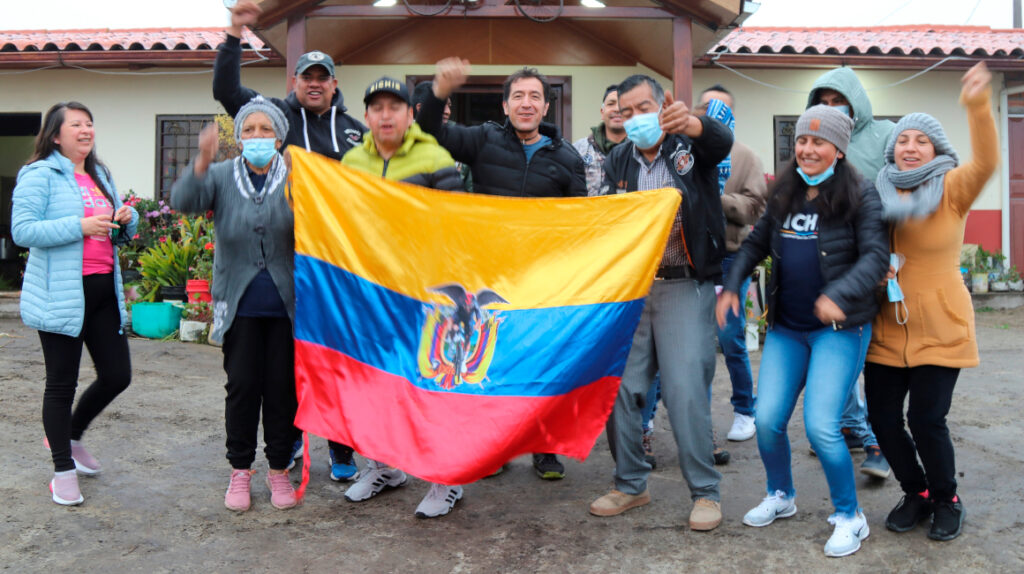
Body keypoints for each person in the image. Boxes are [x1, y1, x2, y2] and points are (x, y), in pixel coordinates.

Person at [716, 105, 888, 557]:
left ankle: (850, 516)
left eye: (818, 142)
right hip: (788, 328)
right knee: (768, 419)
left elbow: (874, 256)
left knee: (821, 426)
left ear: (838, 149)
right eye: (802, 141)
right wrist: (732, 286)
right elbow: (754, 242)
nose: (807, 149)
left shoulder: (861, 194)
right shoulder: (785, 191)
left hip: (839, 329)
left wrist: (841, 294)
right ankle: (781, 495)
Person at [213, 0, 365, 481]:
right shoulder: (273, 118)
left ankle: (342, 449)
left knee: (336, 361)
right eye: (307, 76)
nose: (315, 83)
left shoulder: (356, 134)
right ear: (295, 83)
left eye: (323, 77)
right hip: (284, 266)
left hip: (338, 268)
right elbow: (227, 90)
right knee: (286, 367)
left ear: (334, 84)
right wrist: (236, 34)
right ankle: (291, 441)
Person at [420, 58, 586, 480]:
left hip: (543, 283)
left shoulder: (568, 159)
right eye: (518, 97)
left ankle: (544, 448)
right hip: (489, 279)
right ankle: (493, 450)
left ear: (547, 107)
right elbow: (429, 131)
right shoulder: (482, 141)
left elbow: (582, 223)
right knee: (494, 365)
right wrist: (439, 92)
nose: (526, 104)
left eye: (535, 97)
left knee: (542, 367)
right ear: (505, 105)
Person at [588, 74, 733, 532]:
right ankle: (630, 484)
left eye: (643, 107)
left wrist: (693, 125)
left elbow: (721, 142)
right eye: (625, 111)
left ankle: (705, 493)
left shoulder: (688, 148)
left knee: (685, 389)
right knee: (620, 389)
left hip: (683, 284)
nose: (635, 118)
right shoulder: (617, 160)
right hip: (633, 290)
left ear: (662, 105)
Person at [864, 62, 997, 542]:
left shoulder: (953, 189)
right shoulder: (877, 193)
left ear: (937, 150)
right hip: (888, 325)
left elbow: (985, 162)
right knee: (881, 417)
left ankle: (946, 498)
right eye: (903, 139)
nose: (911, 147)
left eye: (922, 140)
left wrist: (977, 104)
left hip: (941, 323)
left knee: (926, 418)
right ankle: (915, 491)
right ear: (892, 149)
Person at [340, 77, 466, 518]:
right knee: (375, 386)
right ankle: (384, 468)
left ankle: (446, 479)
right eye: (377, 108)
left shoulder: (435, 155)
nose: (386, 114)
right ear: (368, 116)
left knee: (432, 385)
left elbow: (459, 223)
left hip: (427, 294)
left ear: (411, 113)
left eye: (396, 106)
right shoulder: (352, 160)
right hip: (372, 294)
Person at [171, 97, 300, 512]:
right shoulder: (223, 175)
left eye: (266, 130)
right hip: (240, 304)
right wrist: (202, 161)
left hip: (287, 305)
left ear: (279, 137)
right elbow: (183, 200)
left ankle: (279, 468)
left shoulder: (300, 176)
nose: (257, 137)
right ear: (239, 137)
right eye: (249, 130)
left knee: (282, 391)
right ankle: (240, 469)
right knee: (242, 387)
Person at [12, 101, 138, 506]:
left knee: (117, 375)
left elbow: (113, 235)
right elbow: (23, 230)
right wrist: (78, 226)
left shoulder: (100, 174)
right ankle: (62, 470)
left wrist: (125, 221)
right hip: (61, 293)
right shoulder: (39, 174)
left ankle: (72, 435)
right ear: (55, 135)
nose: (86, 130)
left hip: (103, 291)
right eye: (76, 125)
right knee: (61, 384)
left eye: (90, 124)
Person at [808, 66, 896, 478]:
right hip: (835, 267)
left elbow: (902, 190)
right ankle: (856, 430)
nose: (831, 109)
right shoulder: (817, 144)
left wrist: (890, 256)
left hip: (883, 265)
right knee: (838, 353)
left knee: (878, 359)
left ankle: (875, 438)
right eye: (822, 103)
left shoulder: (885, 137)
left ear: (855, 101)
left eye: (838, 101)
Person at [411, 81, 472, 192]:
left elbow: (470, 189)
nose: (448, 112)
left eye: (449, 106)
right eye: (441, 106)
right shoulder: (401, 139)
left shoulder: (459, 139)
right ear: (420, 108)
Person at [572, 85, 626, 196]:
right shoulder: (578, 149)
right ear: (602, 112)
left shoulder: (640, 151)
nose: (617, 109)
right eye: (611, 104)